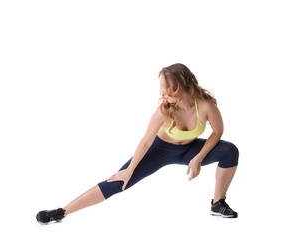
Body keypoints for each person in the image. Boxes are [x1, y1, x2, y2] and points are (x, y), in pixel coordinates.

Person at [36, 63, 239, 224]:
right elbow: (146, 141)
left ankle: (217, 202)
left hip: (189, 150)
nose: (162, 93)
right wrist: (130, 169)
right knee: (119, 182)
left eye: (167, 87)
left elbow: (218, 132)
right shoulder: (163, 111)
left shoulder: (205, 106)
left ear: (183, 83)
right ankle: (62, 211)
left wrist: (198, 157)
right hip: (159, 150)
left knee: (229, 151)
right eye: (161, 87)